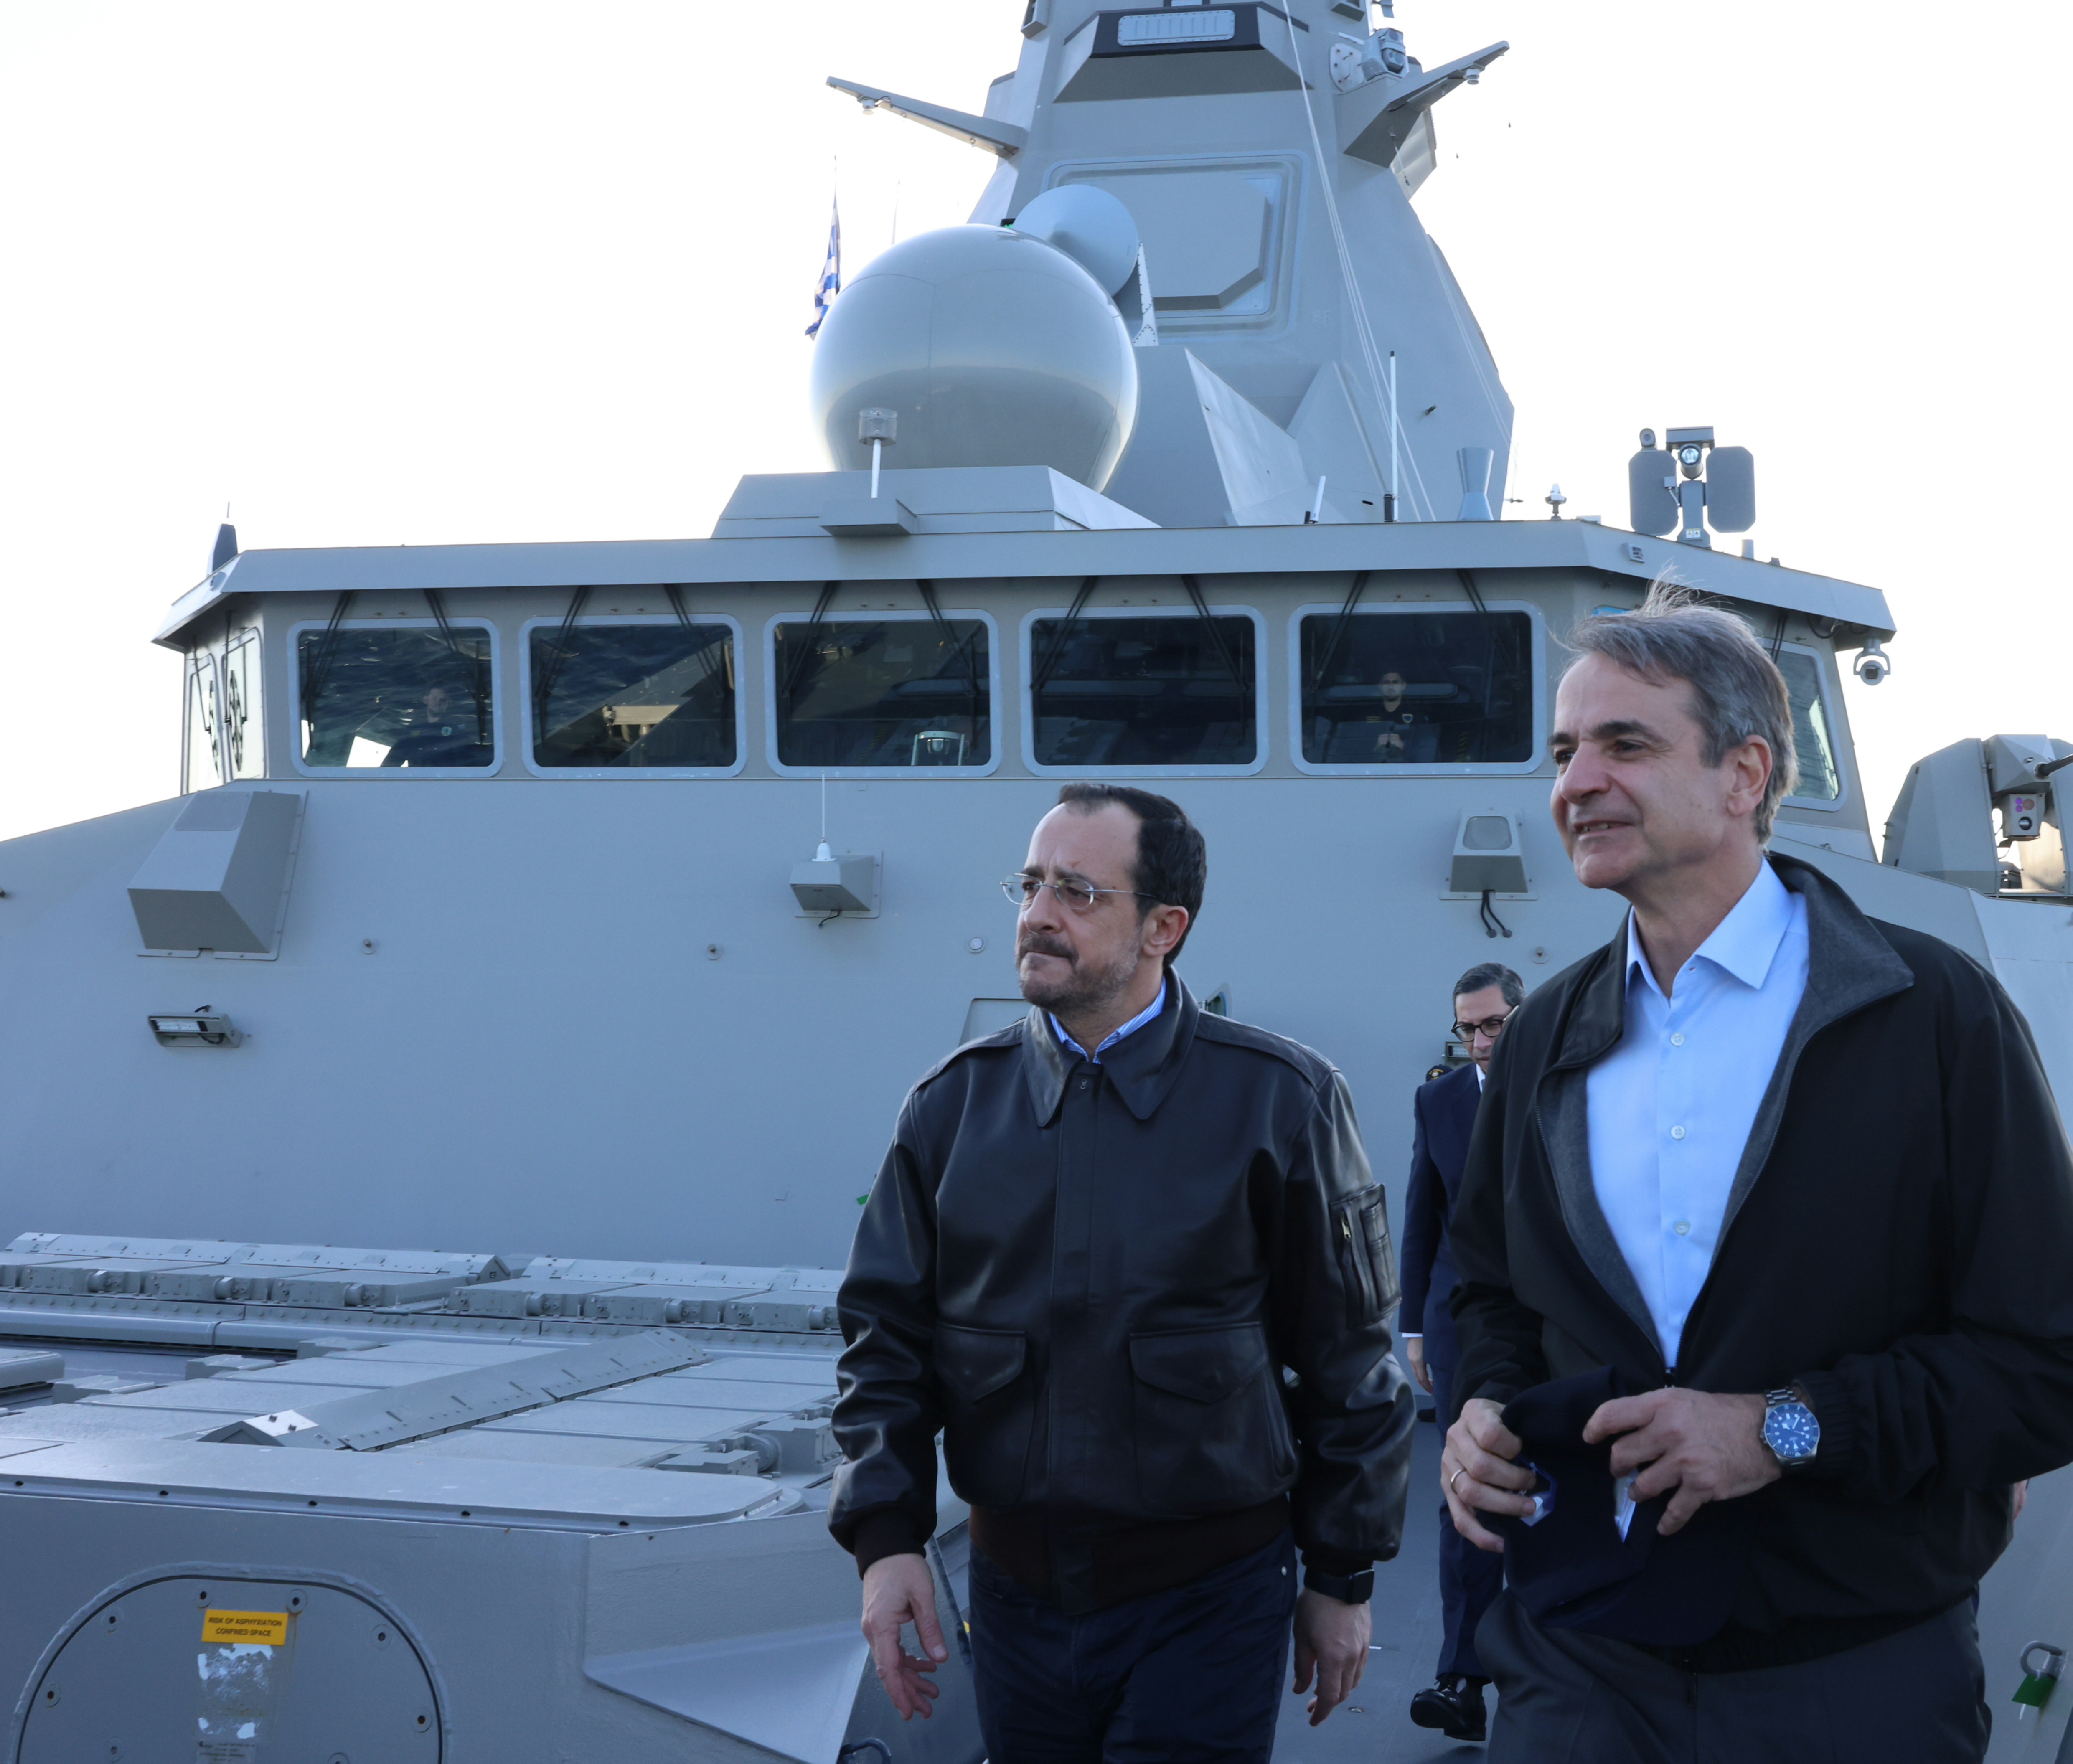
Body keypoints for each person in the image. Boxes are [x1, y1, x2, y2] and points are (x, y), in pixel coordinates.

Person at [1442, 583, 2073, 1761]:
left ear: (1744, 774)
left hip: (1847, 1674)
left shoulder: (1932, 1016)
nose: (1574, 783)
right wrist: (1479, 1407)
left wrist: (1779, 1429)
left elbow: (2041, 1361)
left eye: (1624, 745)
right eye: (1564, 753)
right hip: (1577, 1666)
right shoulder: (1539, 1040)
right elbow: (1487, 1291)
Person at [830, 782, 1413, 1763]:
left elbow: (1348, 1359)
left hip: (1208, 1601)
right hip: (1014, 1600)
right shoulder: (949, 1110)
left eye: (1076, 892)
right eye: (1029, 885)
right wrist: (885, 1541)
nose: (1036, 915)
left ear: (1162, 928)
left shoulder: (1282, 1102)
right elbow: (884, 1341)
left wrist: (1340, 1576)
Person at [1398, 960, 1522, 1743]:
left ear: (1520, 1018)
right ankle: (1461, 1677)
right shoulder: (1438, 1101)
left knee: (1557, 1484)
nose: (1478, 1041)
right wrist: (1413, 1326)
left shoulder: (1568, 1083)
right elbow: (1423, 1213)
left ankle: (1555, 1668)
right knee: (1467, 1490)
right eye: (1467, 1028)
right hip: (1457, 1327)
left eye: (1491, 1026)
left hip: (1555, 1320)